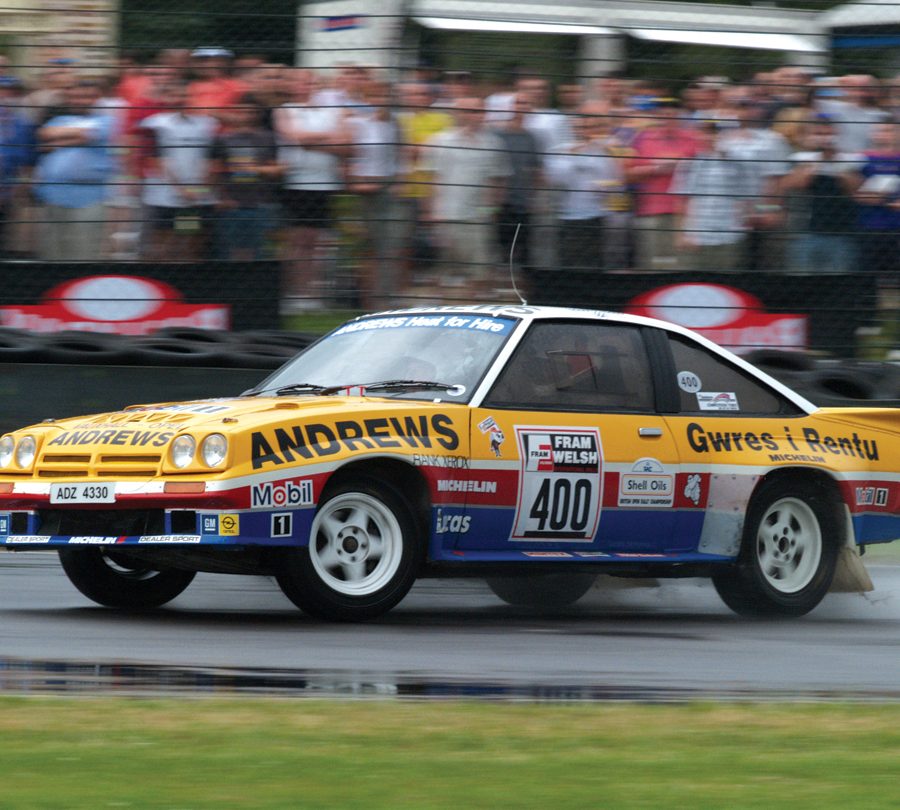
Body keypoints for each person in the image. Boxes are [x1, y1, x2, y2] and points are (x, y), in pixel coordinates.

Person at [274, 68, 351, 310]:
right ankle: (291, 292)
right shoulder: (285, 110)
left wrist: (312, 141)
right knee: (297, 240)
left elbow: (346, 144)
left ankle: (311, 294)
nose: (306, 86)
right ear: (292, 85)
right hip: (296, 182)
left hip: (326, 183)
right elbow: (294, 136)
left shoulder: (332, 111)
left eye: (311, 82)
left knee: (318, 241)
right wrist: (327, 139)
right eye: (301, 82)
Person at [422, 97, 510, 293]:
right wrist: (431, 213)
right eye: (467, 111)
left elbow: (498, 182)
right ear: (456, 114)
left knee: (481, 272)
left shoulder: (494, 144)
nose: (473, 116)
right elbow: (431, 180)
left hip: (478, 218)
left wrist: (491, 212)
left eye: (477, 111)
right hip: (445, 217)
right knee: (443, 273)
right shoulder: (439, 141)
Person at [137, 81, 219, 262]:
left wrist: (198, 191)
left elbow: (212, 160)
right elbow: (156, 159)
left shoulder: (208, 124)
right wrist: (180, 189)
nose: (181, 100)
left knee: (188, 240)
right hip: (165, 196)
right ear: (166, 98)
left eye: (185, 96)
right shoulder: (155, 123)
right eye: (175, 95)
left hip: (195, 199)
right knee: (162, 243)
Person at [33, 80, 114, 260]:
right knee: (51, 255)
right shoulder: (58, 119)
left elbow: (88, 135)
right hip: (53, 197)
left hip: (88, 200)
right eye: (76, 97)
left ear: (96, 99)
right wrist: (78, 137)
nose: (80, 101)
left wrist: (61, 140)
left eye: (86, 97)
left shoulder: (107, 121)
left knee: (82, 256)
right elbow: (44, 135)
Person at [545, 100, 621, 274]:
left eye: (587, 127)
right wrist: (574, 157)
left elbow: (612, 179)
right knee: (569, 264)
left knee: (595, 265)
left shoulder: (602, 151)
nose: (583, 131)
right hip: (569, 217)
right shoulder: (560, 151)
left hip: (596, 216)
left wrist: (601, 187)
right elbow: (556, 179)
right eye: (579, 127)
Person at [781, 115, 864, 274]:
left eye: (829, 134)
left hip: (841, 234)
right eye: (819, 134)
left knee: (838, 279)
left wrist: (836, 162)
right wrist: (817, 159)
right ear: (808, 136)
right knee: (801, 278)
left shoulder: (849, 159)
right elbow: (796, 184)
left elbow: (855, 189)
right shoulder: (800, 158)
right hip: (805, 233)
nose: (825, 139)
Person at [625, 97, 699, 271]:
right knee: (654, 265)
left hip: (684, 215)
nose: (669, 120)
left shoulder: (693, 139)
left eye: (673, 115)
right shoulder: (643, 139)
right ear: (657, 117)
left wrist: (682, 165)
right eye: (664, 115)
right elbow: (629, 175)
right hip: (652, 212)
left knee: (682, 265)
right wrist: (656, 168)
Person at [718, 97, 792, 272]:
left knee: (765, 264)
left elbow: (776, 179)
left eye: (751, 107)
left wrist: (767, 210)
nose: (745, 111)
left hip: (760, 212)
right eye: (739, 106)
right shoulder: (721, 139)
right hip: (727, 214)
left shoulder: (773, 140)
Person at [346, 80, 402, 307]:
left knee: (389, 245)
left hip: (388, 187)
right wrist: (356, 183)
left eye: (387, 97)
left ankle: (384, 296)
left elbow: (400, 156)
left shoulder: (395, 126)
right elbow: (348, 157)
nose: (382, 102)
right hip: (363, 188)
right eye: (377, 97)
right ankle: (364, 297)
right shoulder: (358, 124)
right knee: (366, 245)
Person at [672, 120, 753, 271]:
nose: (710, 137)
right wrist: (681, 235)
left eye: (715, 132)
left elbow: (745, 199)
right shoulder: (688, 163)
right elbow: (681, 202)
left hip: (729, 237)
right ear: (698, 135)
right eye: (706, 132)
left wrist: (741, 226)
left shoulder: (739, 164)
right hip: (696, 238)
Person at [211, 94, 281, 261]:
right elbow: (212, 172)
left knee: (257, 252)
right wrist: (221, 197)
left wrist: (255, 169)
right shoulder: (222, 140)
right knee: (230, 252)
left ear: (258, 114)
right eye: (242, 111)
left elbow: (277, 169)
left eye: (251, 112)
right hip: (231, 205)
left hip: (260, 203)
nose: (246, 116)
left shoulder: (268, 138)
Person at [493, 92, 541, 271]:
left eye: (524, 104)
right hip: (501, 201)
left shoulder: (531, 137)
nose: (520, 108)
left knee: (524, 248)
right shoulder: (496, 135)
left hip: (523, 201)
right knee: (500, 247)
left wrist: (533, 197)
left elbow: (536, 169)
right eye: (517, 104)